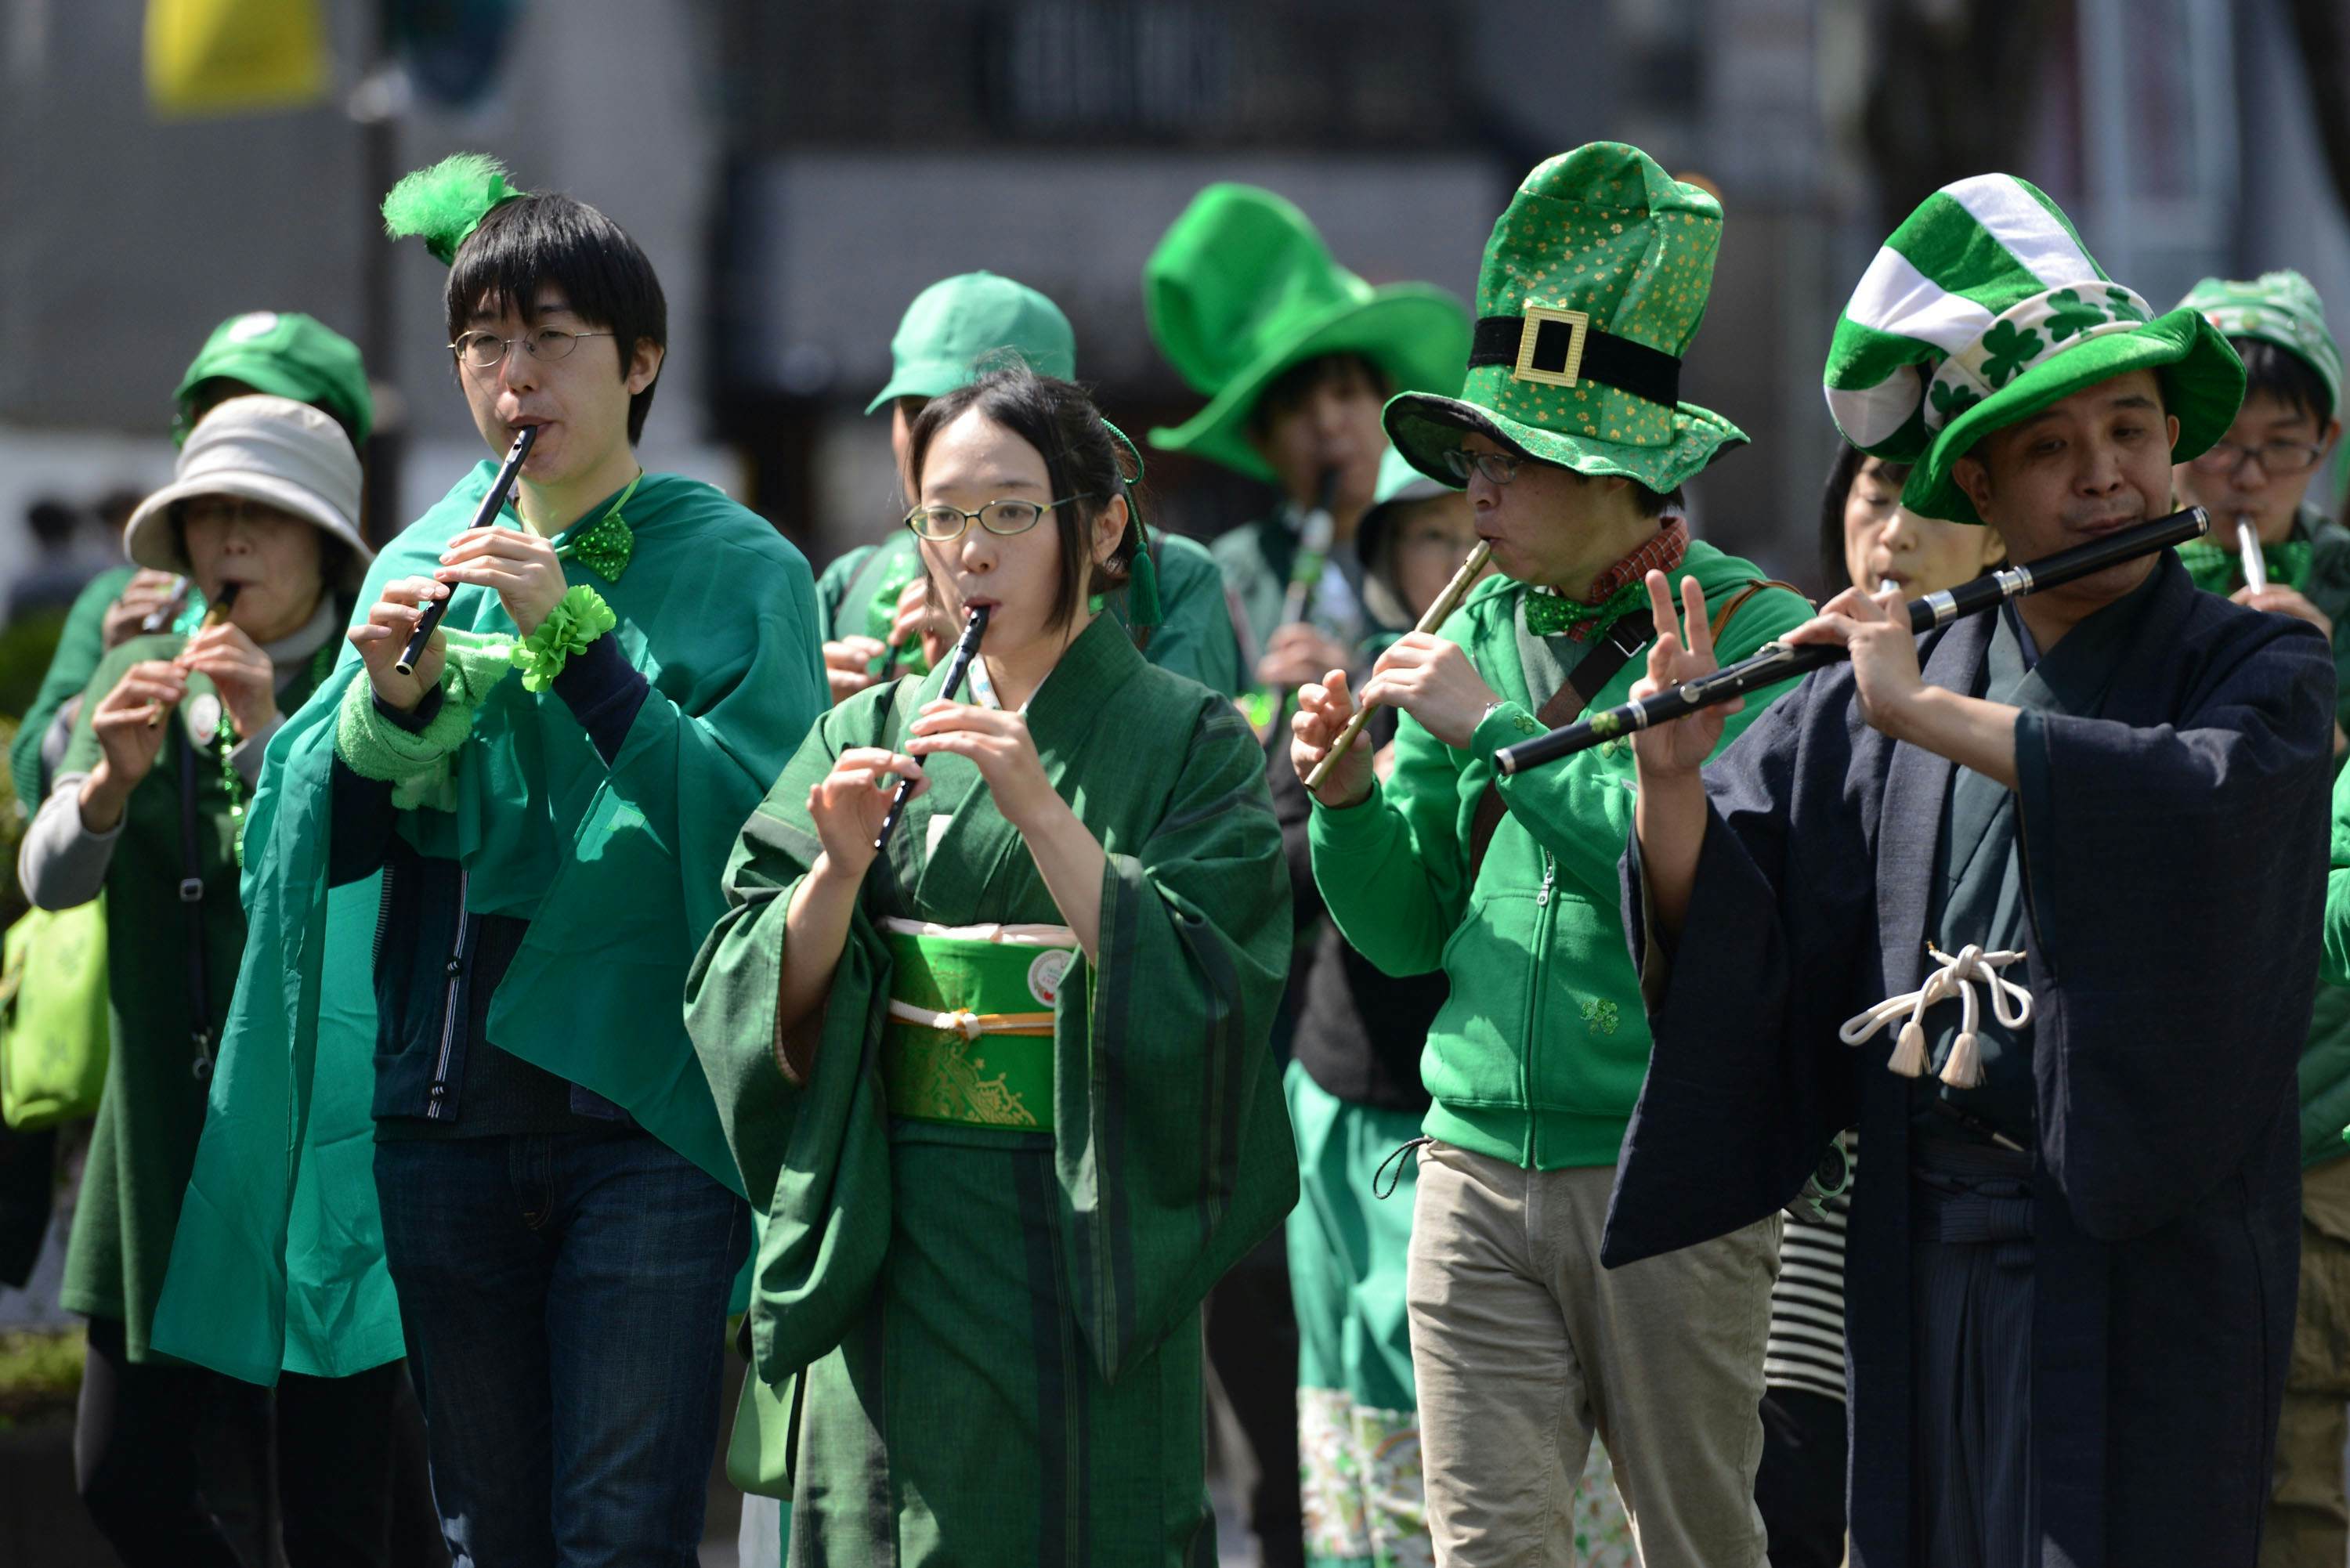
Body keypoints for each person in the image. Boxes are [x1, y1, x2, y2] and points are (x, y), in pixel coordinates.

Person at [1607, 173, 2330, 1566]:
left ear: (2179, 445)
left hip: (2143, 1256)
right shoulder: (1894, 684)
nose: (2106, 471)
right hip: (1921, 1240)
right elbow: (1741, 934)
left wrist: (1930, 713)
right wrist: (1673, 777)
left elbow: (2212, 810)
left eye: (2133, 428)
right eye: (2051, 448)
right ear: (1982, 489)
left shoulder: (2258, 664)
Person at [143, 153, 828, 1566]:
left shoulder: (743, 565)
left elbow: (760, 842)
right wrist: (386, 710)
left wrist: (582, 648)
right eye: (483, 344)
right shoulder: (422, 550)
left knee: (619, 1535)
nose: (515, 377)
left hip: (647, 1125)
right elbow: (312, 847)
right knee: (482, 1538)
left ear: (639, 361)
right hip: (441, 1117)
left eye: (550, 339)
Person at [1289, 143, 1813, 1566]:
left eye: (1512, 460)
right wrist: (1342, 799)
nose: (1478, 494)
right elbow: (1401, 934)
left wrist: (1504, 734)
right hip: (1465, 1160)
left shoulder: (1758, 639)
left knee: (1697, 1541)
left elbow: (1716, 921)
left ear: (1622, 474)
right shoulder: (1474, 625)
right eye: (1473, 459)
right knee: (1489, 1547)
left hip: (1669, 1173)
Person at [687, 363, 1296, 1563]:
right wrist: (836, 875)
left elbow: (1217, 994)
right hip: (895, 1223)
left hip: (1087, 1232)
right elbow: (741, 981)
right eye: (942, 514)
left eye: (1013, 510)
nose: (970, 548)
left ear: (1101, 521)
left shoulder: (1190, 736)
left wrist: (1045, 814)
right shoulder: (862, 727)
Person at [16, 396, 405, 1565]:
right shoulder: (133, 659)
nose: (230, 541)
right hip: (163, 1129)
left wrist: (262, 730)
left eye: (264, 515)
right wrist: (102, 789)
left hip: (323, 1135)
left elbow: (372, 875)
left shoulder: (379, 676)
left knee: (337, 1504)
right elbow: (46, 879)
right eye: (208, 516)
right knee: (122, 1476)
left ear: (329, 541)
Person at [1145, 186, 1470, 1564]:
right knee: (1286, 1399)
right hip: (1256, 1049)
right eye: (1301, 402)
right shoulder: (1220, 579)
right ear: (1266, 437)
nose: (1333, 422)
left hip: (1414, 1042)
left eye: (1354, 389)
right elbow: (1173, 786)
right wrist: (1254, 719)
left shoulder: (1469, 575)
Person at [2167, 269, 2350, 1568]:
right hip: (2215, 1111)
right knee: (2237, 1472)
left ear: (2324, 447)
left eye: (2279, 447)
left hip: (2329, 1104)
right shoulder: (2133, 595)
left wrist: (2309, 707)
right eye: (2222, 444)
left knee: (2294, 1470)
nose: (2246, 478)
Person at [9, 309, 374, 817]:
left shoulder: (375, 632)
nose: (234, 438)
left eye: (266, 416)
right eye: (210, 412)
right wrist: (101, 695)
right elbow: (32, 788)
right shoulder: (120, 602)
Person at [819, 271, 1242, 704]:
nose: (943, 440)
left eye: (986, 414)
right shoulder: (847, 587)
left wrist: (987, 677)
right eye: (915, 412)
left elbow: (1178, 761)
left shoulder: (1170, 578)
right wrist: (825, 717)